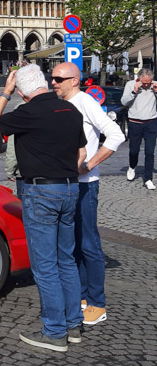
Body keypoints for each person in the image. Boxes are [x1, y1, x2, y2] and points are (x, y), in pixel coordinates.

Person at [0, 63, 86, 353]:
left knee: (45, 265)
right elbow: (81, 151)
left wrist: (5, 92)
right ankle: (73, 324)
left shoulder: (29, 112)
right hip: (69, 188)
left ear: (23, 92)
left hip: (41, 191)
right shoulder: (71, 110)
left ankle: (54, 332)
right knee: (66, 258)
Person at [52, 62, 125, 327]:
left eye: (59, 78)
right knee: (73, 242)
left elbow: (115, 135)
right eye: (52, 78)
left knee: (89, 243)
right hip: (65, 182)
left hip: (86, 184)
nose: (54, 82)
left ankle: (97, 303)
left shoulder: (86, 102)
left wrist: (90, 164)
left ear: (75, 80)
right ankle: (81, 297)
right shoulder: (58, 103)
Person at [120, 68, 157, 190]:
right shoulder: (130, 84)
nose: (146, 85)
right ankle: (132, 166)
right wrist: (134, 92)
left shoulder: (154, 85)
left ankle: (148, 179)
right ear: (140, 79)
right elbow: (124, 102)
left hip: (151, 122)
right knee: (134, 150)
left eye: (148, 82)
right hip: (135, 122)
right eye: (144, 83)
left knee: (150, 152)